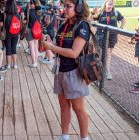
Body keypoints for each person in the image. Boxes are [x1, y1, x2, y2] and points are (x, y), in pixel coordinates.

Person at [42, 0, 91, 140]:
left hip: (74, 72)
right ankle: (64, 136)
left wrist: (52, 48)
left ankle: (84, 138)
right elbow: (60, 47)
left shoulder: (82, 26)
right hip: (60, 70)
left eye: (68, 6)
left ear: (79, 7)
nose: (65, 9)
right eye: (64, 6)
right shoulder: (65, 24)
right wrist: (51, 42)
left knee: (79, 109)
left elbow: (74, 52)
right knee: (63, 106)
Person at [90, 0, 126, 80]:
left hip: (112, 36)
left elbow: (123, 20)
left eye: (112, 2)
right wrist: (92, 13)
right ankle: (99, 71)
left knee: (108, 54)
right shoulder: (100, 12)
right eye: (109, 2)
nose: (111, 3)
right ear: (105, 3)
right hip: (101, 36)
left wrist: (121, 28)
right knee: (100, 54)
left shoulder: (116, 13)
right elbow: (90, 20)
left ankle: (107, 72)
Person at [4, 0, 21, 69]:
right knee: (14, 48)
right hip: (16, 33)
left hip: (7, 34)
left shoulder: (5, 14)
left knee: (8, 49)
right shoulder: (17, 14)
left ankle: (8, 65)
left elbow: (1, 24)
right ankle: (15, 64)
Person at [25, 0, 42, 68]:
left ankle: (34, 63)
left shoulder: (30, 11)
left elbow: (25, 20)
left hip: (30, 30)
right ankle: (36, 61)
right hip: (37, 30)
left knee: (31, 47)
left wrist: (28, 7)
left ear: (34, 4)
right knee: (35, 46)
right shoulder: (40, 12)